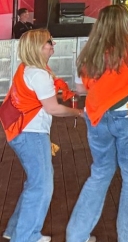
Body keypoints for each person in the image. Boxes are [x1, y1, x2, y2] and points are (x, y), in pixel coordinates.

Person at [66, 4, 128, 242]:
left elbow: (80, 88)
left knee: (100, 173)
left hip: (98, 117)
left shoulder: (89, 51)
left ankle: (76, 235)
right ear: (125, 24)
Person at [1, 30, 82, 242]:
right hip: (31, 134)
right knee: (42, 186)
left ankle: (15, 230)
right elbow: (53, 108)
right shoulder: (39, 74)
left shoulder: (26, 69)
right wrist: (79, 113)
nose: (53, 45)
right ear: (38, 47)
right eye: (49, 42)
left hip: (20, 132)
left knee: (35, 182)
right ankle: (26, 237)